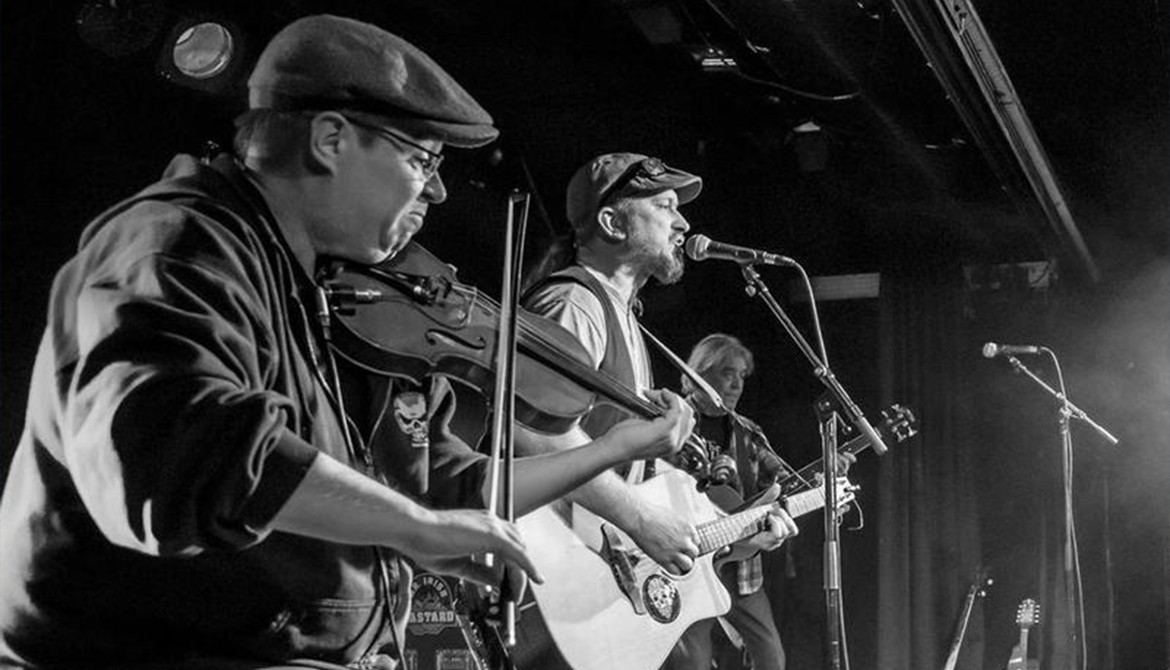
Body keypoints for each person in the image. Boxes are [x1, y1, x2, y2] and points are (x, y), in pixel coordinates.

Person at [0, 16, 696, 670]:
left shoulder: (340, 297)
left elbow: (446, 484)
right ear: (331, 139)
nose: (437, 191)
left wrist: (610, 449)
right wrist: (413, 528)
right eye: (421, 159)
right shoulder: (176, 245)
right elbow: (184, 454)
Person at [519, 154, 799, 666]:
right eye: (665, 206)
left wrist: (738, 533)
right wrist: (641, 518)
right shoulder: (574, 305)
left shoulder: (624, 316)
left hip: (596, 580)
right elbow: (530, 436)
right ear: (612, 222)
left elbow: (629, 478)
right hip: (553, 584)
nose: (683, 223)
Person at [670, 333, 857, 670]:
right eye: (727, 373)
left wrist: (824, 475)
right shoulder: (673, 419)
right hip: (684, 561)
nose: (736, 384)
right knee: (692, 662)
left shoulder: (747, 432)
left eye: (742, 376)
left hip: (740, 565)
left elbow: (784, 482)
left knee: (771, 658)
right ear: (699, 373)